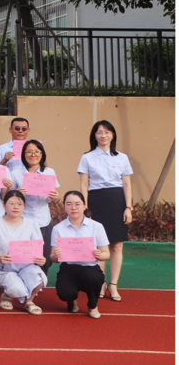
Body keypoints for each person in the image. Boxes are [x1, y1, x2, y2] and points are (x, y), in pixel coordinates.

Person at [77, 120, 133, 303]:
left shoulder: (122, 157)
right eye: (99, 132)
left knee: (117, 245)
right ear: (94, 136)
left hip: (117, 201)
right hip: (96, 200)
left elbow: (127, 185)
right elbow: (84, 185)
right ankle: (100, 282)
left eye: (107, 132)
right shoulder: (87, 157)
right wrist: (85, 207)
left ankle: (113, 285)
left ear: (113, 135)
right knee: (99, 245)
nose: (103, 135)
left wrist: (128, 207)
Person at [0, 190, 48, 315]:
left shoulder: (31, 224)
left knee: (40, 278)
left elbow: (38, 249)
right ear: (4, 205)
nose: (16, 207)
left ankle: (29, 301)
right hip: (3, 268)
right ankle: (7, 295)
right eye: (12, 203)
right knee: (16, 289)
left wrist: (41, 259)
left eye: (19, 204)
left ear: (24, 206)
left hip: (26, 266)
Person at [51, 191, 111, 319]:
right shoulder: (58, 228)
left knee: (93, 277)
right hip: (69, 268)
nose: (73, 207)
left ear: (84, 206)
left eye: (77, 204)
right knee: (64, 293)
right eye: (69, 204)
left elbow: (106, 254)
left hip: (90, 267)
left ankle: (93, 305)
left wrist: (100, 254)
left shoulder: (97, 226)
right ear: (64, 207)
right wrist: (56, 255)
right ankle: (71, 299)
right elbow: (53, 258)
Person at [12, 140, 60, 273]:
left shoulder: (49, 172)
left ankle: (41, 279)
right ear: (23, 154)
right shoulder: (16, 173)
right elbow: (9, 197)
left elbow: (55, 197)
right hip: (23, 220)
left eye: (36, 151)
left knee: (45, 255)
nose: (33, 155)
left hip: (43, 219)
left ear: (42, 154)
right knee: (24, 254)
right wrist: (17, 194)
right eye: (29, 152)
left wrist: (55, 197)